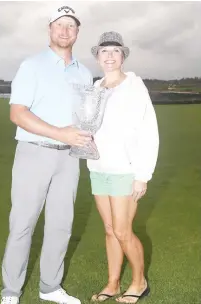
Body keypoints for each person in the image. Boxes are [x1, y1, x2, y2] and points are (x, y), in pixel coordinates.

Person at [1, 6, 93, 304]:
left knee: (61, 225)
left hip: (69, 158)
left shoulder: (84, 72)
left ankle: (50, 287)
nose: (65, 31)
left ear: (77, 32)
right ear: (49, 29)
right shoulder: (31, 65)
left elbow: (85, 117)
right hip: (34, 153)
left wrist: (84, 135)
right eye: (59, 25)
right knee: (23, 224)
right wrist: (61, 133)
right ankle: (11, 292)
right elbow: (17, 114)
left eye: (71, 26)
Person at [87, 32, 159, 304]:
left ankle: (139, 283)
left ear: (122, 56)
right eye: (104, 51)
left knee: (122, 230)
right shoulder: (95, 88)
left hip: (124, 170)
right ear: (97, 56)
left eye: (115, 51)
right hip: (98, 168)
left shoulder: (134, 86)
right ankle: (112, 283)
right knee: (109, 229)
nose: (109, 56)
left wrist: (142, 176)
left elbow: (148, 131)